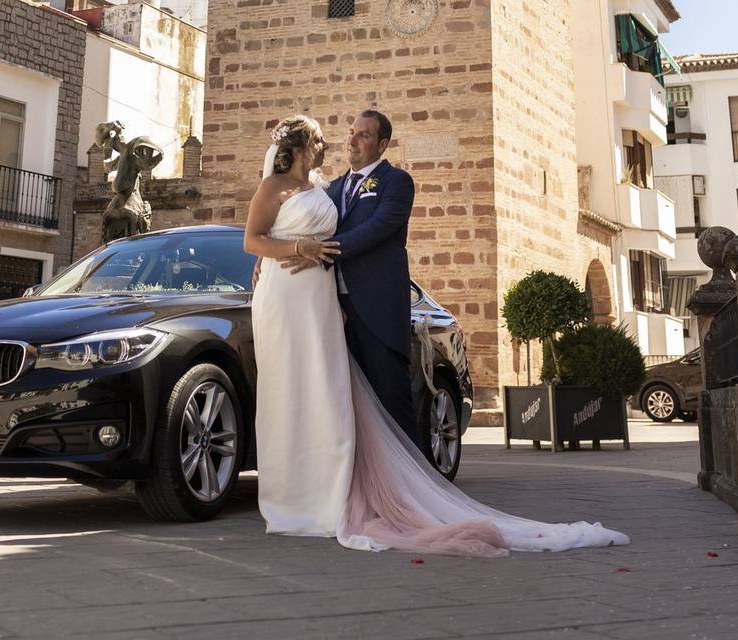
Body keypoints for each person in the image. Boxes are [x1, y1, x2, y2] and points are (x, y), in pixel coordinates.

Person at [244, 113, 629, 556]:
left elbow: (375, 230)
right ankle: (331, 490)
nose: (349, 142)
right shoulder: (328, 188)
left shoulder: (396, 183)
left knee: (392, 406)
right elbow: (270, 230)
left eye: (363, 135)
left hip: (371, 311)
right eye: (350, 134)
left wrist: (315, 250)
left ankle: (414, 495)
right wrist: (274, 251)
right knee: (331, 405)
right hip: (325, 310)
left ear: (383, 143)